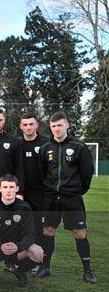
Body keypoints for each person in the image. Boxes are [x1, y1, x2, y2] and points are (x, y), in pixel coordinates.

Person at [38, 111, 96, 283]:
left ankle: (87, 270)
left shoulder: (79, 146)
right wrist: (50, 190)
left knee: (79, 233)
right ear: (50, 127)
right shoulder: (45, 148)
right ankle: (46, 267)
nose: (57, 128)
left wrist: (74, 191)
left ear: (67, 125)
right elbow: (41, 174)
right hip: (50, 198)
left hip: (72, 198)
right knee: (48, 231)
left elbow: (87, 175)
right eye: (54, 126)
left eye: (60, 125)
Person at [0, 174, 43, 287]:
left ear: (17, 189)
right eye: (5, 187)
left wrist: (18, 246)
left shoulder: (24, 207)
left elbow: (31, 234)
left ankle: (20, 271)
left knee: (38, 252)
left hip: (17, 249)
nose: (8, 190)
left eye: (12, 187)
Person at [18, 112, 49, 276]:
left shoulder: (46, 143)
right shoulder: (17, 144)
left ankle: (44, 264)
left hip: (42, 194)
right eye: (25, 124)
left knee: (43, 230)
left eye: (31, 124)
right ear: (20, 126)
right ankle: (23, 263)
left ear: (37, 125)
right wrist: (18, 191)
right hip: (22, 195)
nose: (28, 127)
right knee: (23, 229)